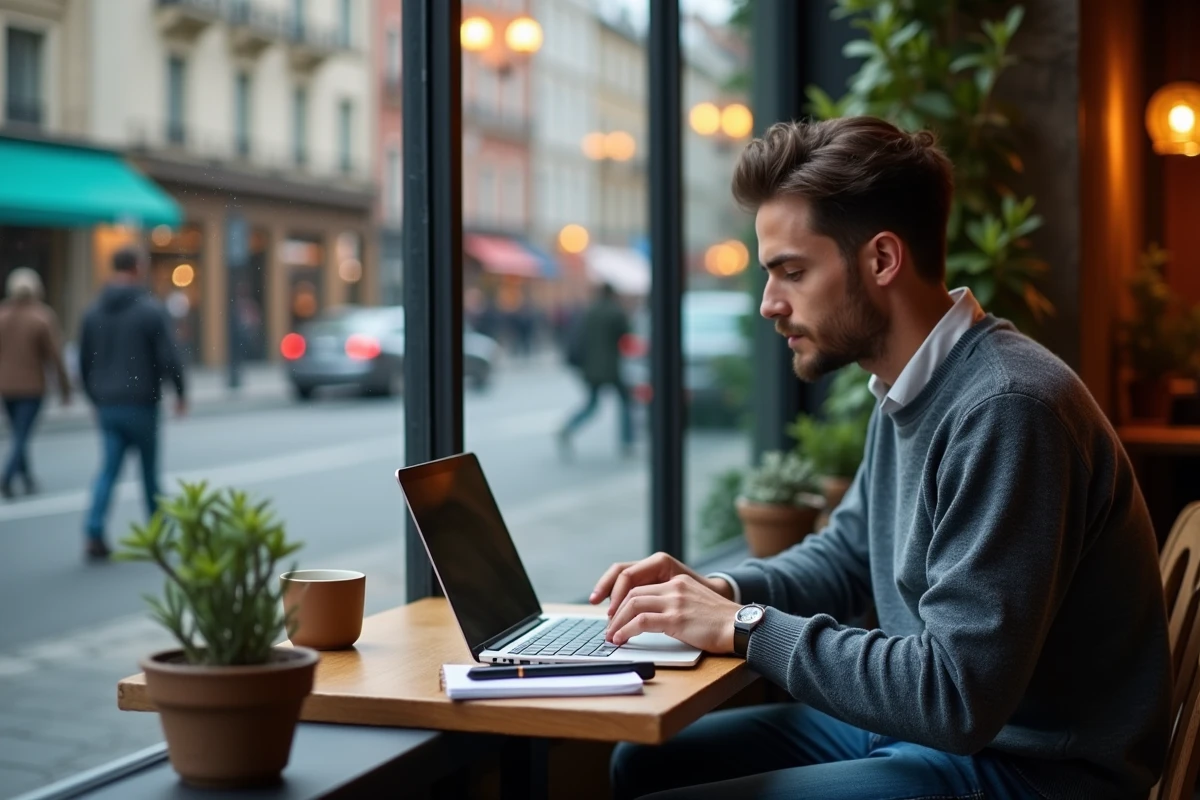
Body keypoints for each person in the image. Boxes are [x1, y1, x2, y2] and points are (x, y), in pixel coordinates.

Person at [591, 117, 1171, 800]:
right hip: (948, 739)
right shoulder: (912, 386)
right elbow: (848, 556)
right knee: (645, 762)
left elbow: (956, 695)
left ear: (882, 260)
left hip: (1034, 769)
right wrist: (723, 594)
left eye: (793, 272)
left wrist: (742, 629)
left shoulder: (1008, 408)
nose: (770, 305)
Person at [79, 245, 187, 560]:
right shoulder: (149, 310)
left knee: (108, 471)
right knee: (150, 473)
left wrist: (94, 397)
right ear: (137, 267)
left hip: (108, 404)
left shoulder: (93, 312)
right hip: (141, 403)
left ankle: (94, 531)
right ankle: (159, 536)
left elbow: (85, 361)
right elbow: (168, 356)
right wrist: (180, 393)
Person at [0, 268, 71, 498]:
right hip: (32, 386)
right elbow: (55, 356)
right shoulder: (42, 316)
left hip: (6, 386)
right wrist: (65, 388)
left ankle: (27, 477)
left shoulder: (2, 315)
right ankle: (9, 475)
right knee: (22, 434)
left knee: (20, 432)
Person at [558, 282, 634, 459]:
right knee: (625, 402)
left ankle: (568, 428)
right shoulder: (615, 313)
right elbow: (626, 335)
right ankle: (627, 441)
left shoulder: (588, 312)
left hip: (590, 368)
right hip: (610, 367)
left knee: (592, 404)